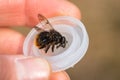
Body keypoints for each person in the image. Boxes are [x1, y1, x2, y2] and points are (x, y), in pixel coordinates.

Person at [0, 0, 81, 80]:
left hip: (43, 36)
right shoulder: (54, 39)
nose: (61, 43)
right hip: (42, 39)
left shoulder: (55, 35)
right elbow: (50, 44)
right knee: (48, 44)